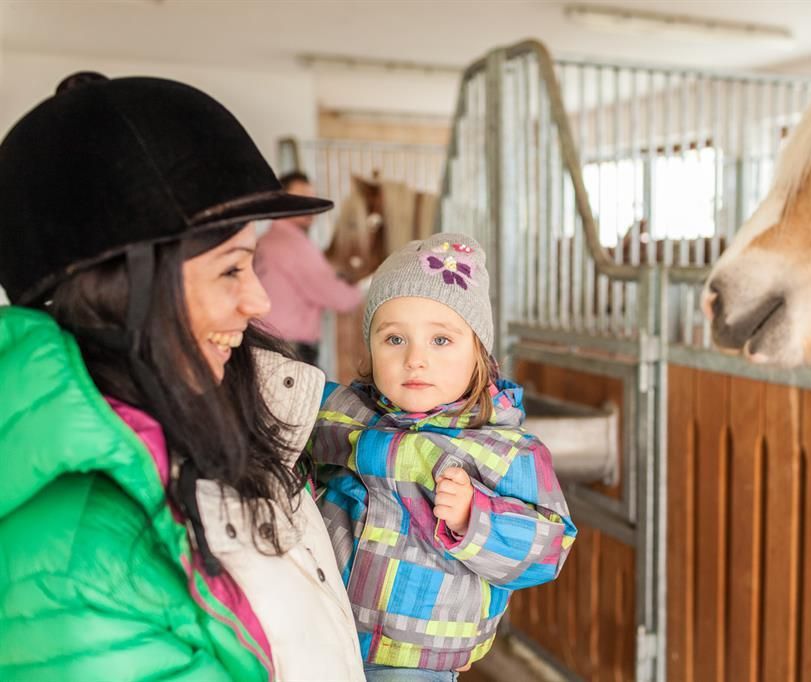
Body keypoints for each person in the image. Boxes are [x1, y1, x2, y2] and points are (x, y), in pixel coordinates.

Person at [0, 72, 364, 680]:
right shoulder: (81, 565)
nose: (259, 301)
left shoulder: (233, 419)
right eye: (230, 270)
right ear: (123, 294)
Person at [311, 233, 576, 680]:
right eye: (395, 339)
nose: (415, 359)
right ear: (370, 347)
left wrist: (475, 516)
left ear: (478, 353)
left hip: (413, 660)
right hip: (322, 633)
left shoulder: (506, 451)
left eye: (440, 340)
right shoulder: (343, 413)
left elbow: (549, 548)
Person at [256, 170, 363, 366]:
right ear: (281, 202)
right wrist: (360, 289)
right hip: (288, 351)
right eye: (301, 199)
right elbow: (339, 298)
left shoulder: (264, 241)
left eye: (311, 199)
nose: (310, 207)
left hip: (263, 345)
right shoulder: (294, 245)